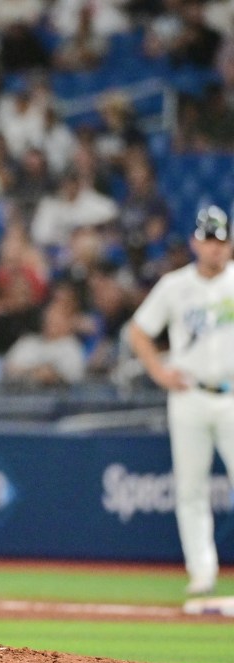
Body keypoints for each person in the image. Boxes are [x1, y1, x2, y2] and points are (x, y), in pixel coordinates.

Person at [128, 205, 234, 597]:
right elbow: (139, 331)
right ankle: (202, 571)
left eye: (222, 240)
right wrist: (158, 371)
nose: (216, 248)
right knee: (191, 489)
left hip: (231, 395)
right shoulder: (176, 285)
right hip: (188, 393)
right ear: (194, 242)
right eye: (209, 240)